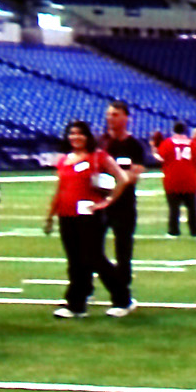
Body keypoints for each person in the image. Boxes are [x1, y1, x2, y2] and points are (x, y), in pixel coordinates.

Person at [43, 120, 134, 318]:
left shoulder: (98, 156)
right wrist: (50, 215)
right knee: (75, 261)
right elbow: (60, 189)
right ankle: (76, 304)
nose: (75, 137)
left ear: (87, 136)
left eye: (80, 133)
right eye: (72, 133)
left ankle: (123, 299)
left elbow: (123, 178)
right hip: (66, 215)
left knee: (94, 258)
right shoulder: (64, 159)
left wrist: (107, 201)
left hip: (89, 215)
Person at [99, 100, 153, 307]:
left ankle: (123, 293)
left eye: (115, 114)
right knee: (92, 248)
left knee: (123, 250)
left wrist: (115, 183)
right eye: (109, 114)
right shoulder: (101, 142)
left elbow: (134, 175)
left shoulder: (134, 145)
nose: (110, 118)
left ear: (126, 117)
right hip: (100, 203)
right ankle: (89, 288)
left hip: (124, 204)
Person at [159, 121, 196, 237]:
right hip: (190, 179)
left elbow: (160, 159)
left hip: (172, 179)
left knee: (173, 208)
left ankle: (173, 230)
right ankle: (195, 230)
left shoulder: (167, 143)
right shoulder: (193, 144)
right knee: (192, 208)